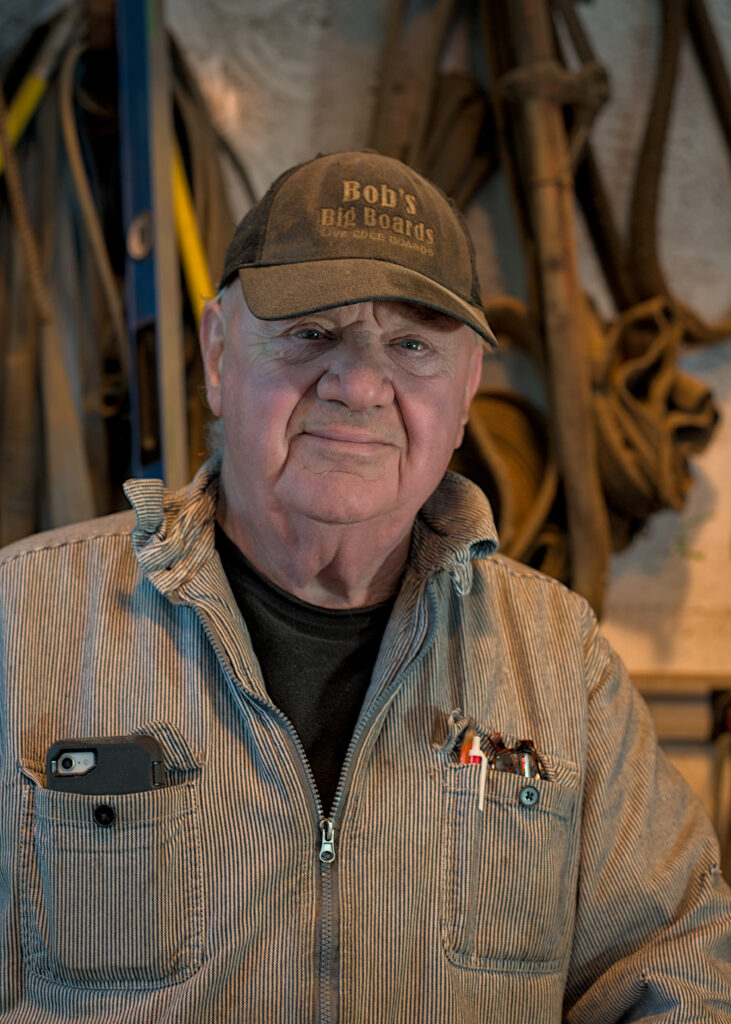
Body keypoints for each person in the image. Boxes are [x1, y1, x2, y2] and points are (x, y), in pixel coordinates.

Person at [0, 150, 728, 1023]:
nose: (358, 385)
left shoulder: (557, 658)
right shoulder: (21, 622)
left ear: (465, 392)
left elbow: (678, 965)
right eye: (310, 332)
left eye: (413, 345)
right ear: (218, 354)